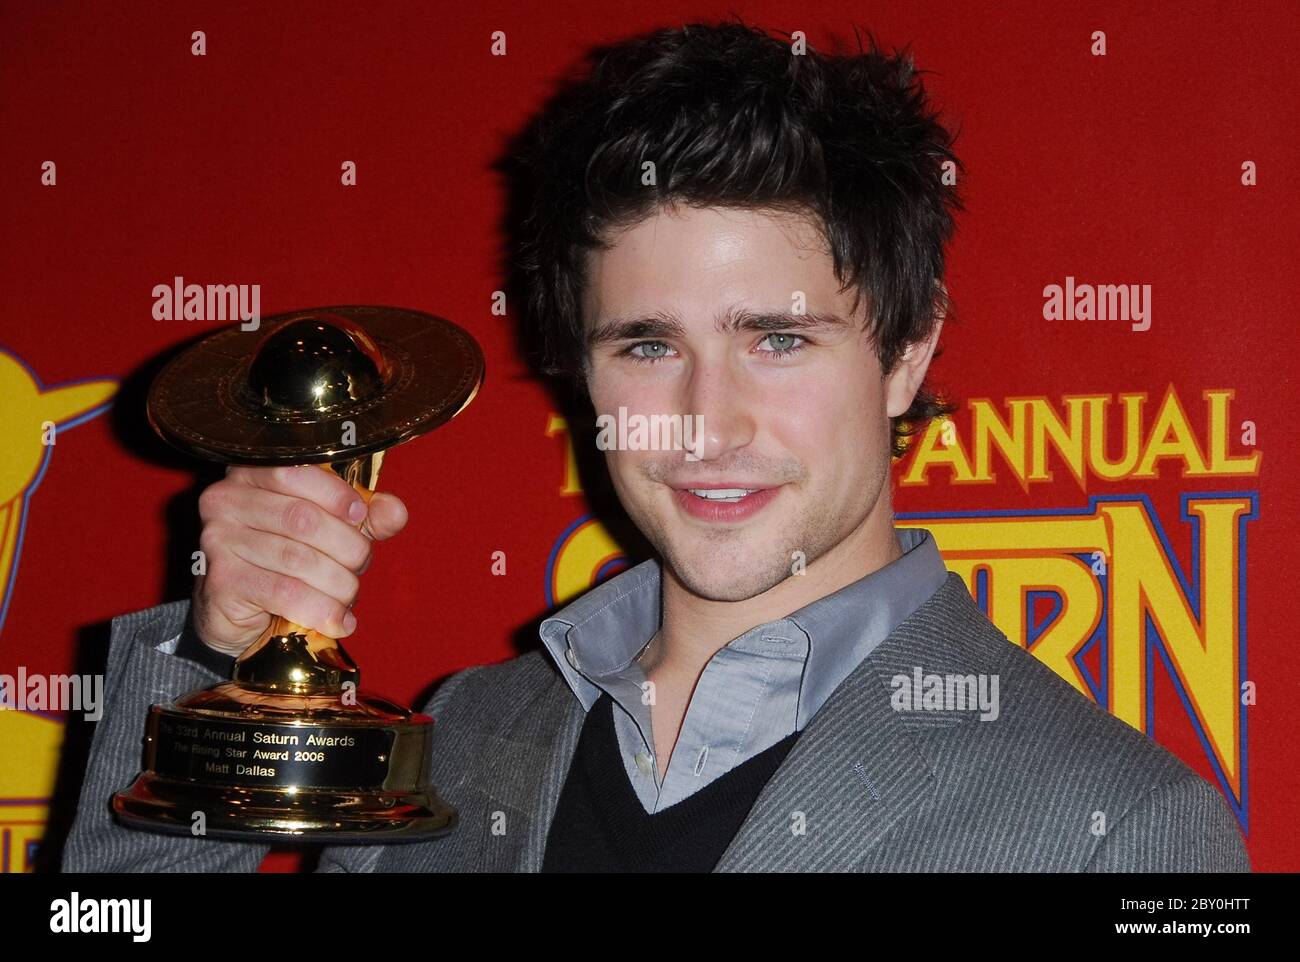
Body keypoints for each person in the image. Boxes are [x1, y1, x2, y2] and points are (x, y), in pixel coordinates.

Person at [62, 19, 1249, 872]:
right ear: (578, 370)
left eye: (776, 340)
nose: (704, 419)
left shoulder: (1122, 826)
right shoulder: (464, 729)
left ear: (905, 353)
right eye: (644, 344)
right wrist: (219, 666)